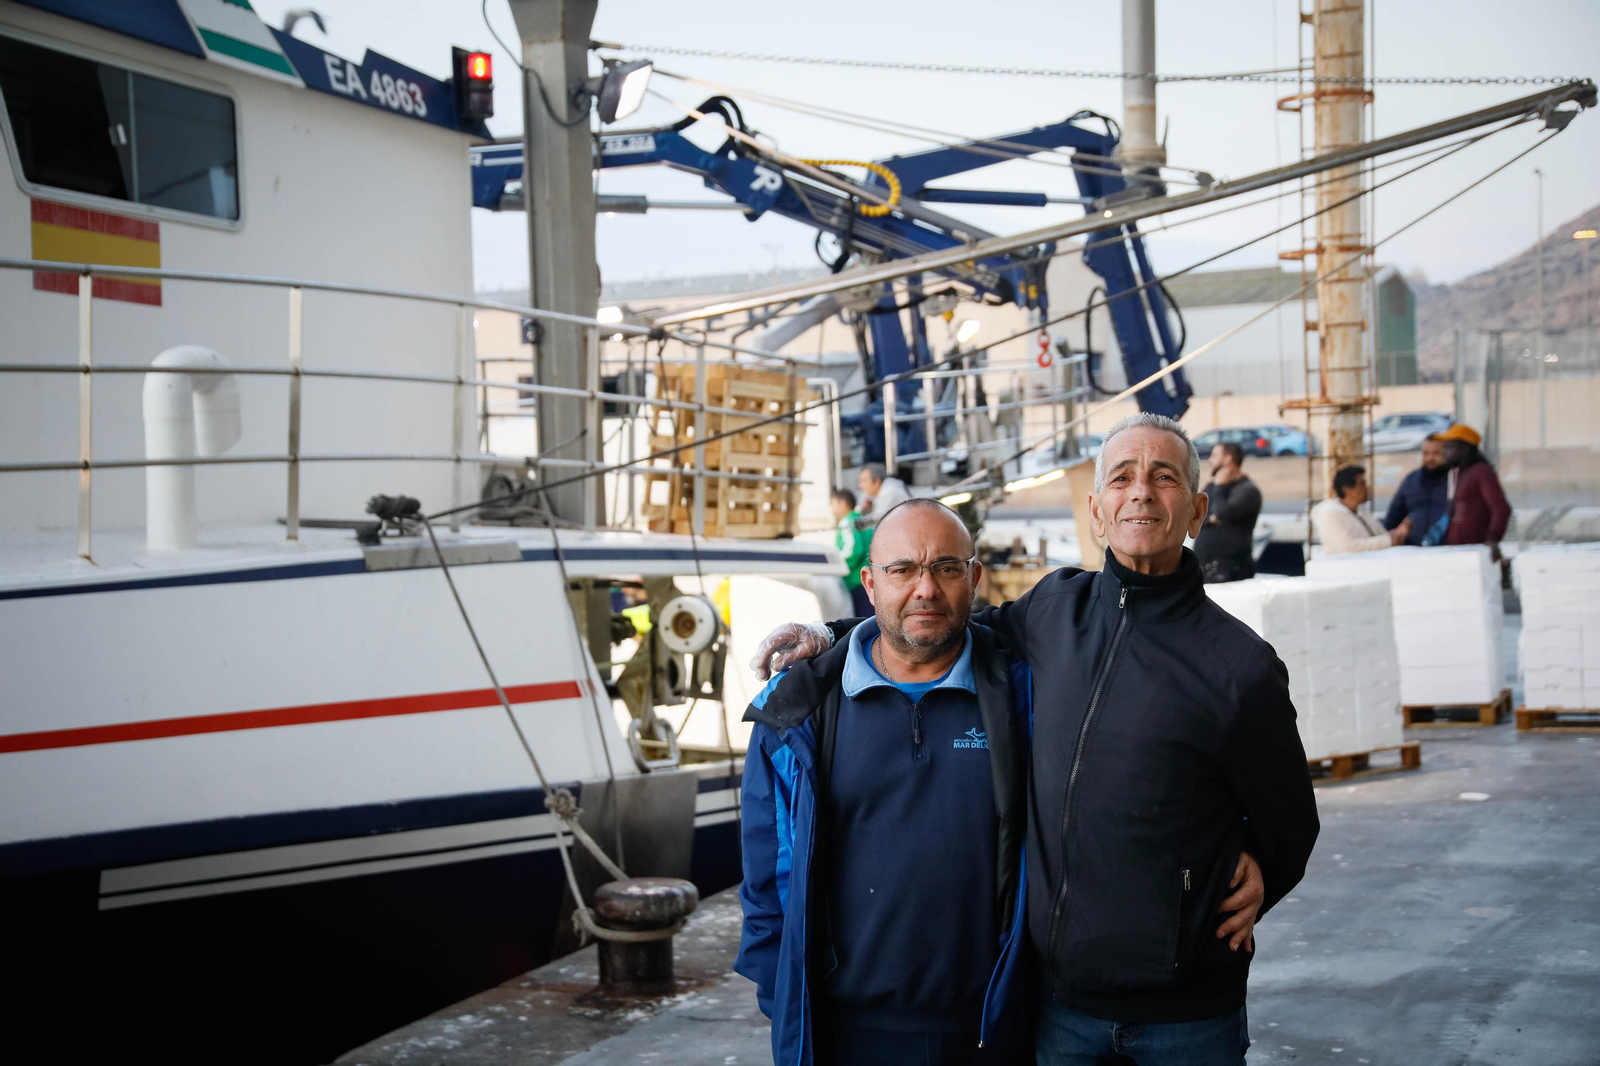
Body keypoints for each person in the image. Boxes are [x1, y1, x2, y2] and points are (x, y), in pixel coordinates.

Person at [755, 413, 1318, 1066]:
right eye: (1123, 477)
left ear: (1195, 512)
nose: (1141, 491)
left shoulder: (1239, 666)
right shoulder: (1055, 610)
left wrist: (1255, 863)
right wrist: (830, 632)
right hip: (1060, 1011)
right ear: (1097, 511)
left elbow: (1290, 822)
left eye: (1164, 478)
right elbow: (940, 616)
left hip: (1187, 1015)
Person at [736, 499, 1035, 1066]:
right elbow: (765, 880)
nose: (925, 588)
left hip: (991, 1028)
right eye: (903, 570)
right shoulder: (797, 714)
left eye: (946, 568)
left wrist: (1249, 835)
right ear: (870, 583)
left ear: (973, 578)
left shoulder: (1026, 695)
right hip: (847, 1032)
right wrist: (785, 997)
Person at [1433, 424, 1511, 556]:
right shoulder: (1458, 473)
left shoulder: (1481, 472)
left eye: (1449, 447)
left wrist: (1493, 538)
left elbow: (1501, 508)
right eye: (1444, 447)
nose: (1444, 452)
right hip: (1459, 552)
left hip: (1477, 553)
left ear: (1465, 449)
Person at [1193, 441, 1262, 582]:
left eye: (1214, 455)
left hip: (1231, 572)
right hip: (1204, 571)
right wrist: (1210, 519)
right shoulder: (1212, 486)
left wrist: (1220, 486)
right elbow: (1193, 514)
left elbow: (1221, 512)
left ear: (1227, 459)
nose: (1210, 460)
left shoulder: (1247, 491)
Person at [1312, 466, 1409, 554]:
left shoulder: (1361, 510)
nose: (1366, 488)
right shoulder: (1330, 514)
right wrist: (1388, 540)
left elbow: (1379, 534)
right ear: (1347, 490)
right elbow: (1348, 548)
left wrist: (1396, 535)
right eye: (1361, 484)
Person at [1383, 436, 1449, 546]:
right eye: (1426, 454)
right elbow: (1393, 515)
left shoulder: (1454, 480)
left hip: (1447, 548)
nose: (1430, 458)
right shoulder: (1411, 480)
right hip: (1412, 549)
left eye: (1436, 453)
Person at [830, 487, 874, 616]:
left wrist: (836, 565)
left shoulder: (847, 522)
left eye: (833, 504)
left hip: (856, 581)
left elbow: (854, 550)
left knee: (861, 622)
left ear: (843, 503)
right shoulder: (860, 520)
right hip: (869, 579)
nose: (832, 509)